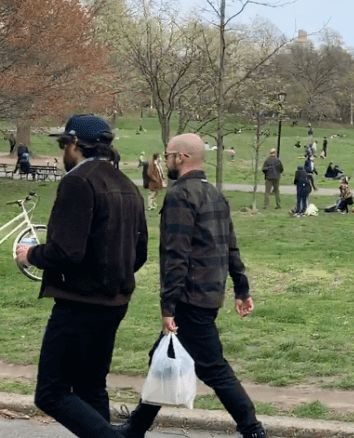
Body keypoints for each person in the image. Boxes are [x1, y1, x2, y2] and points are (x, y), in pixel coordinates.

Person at [115, 133, 265, 438]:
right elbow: (231, 246)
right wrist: (241, 288)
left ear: (181, 157)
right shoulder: (215, 194)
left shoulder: (180, 196)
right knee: (161, 357)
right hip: (209, 292)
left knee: (213, 368)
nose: (165, 160)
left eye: (168, 155)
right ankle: (136, 427)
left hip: (190, 297)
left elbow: (176, 255)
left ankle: (252, 429)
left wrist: (168, 307)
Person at [15, 114, 148, 438]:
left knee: (51, 392)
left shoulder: (78, 181)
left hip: (79, 303)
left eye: (64, 144)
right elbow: (139, 253)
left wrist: (30, 255)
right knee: (91, 386)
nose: (63, 152)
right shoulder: (127, 185)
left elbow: (66, 252)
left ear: (74, 144)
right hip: (115, 301)